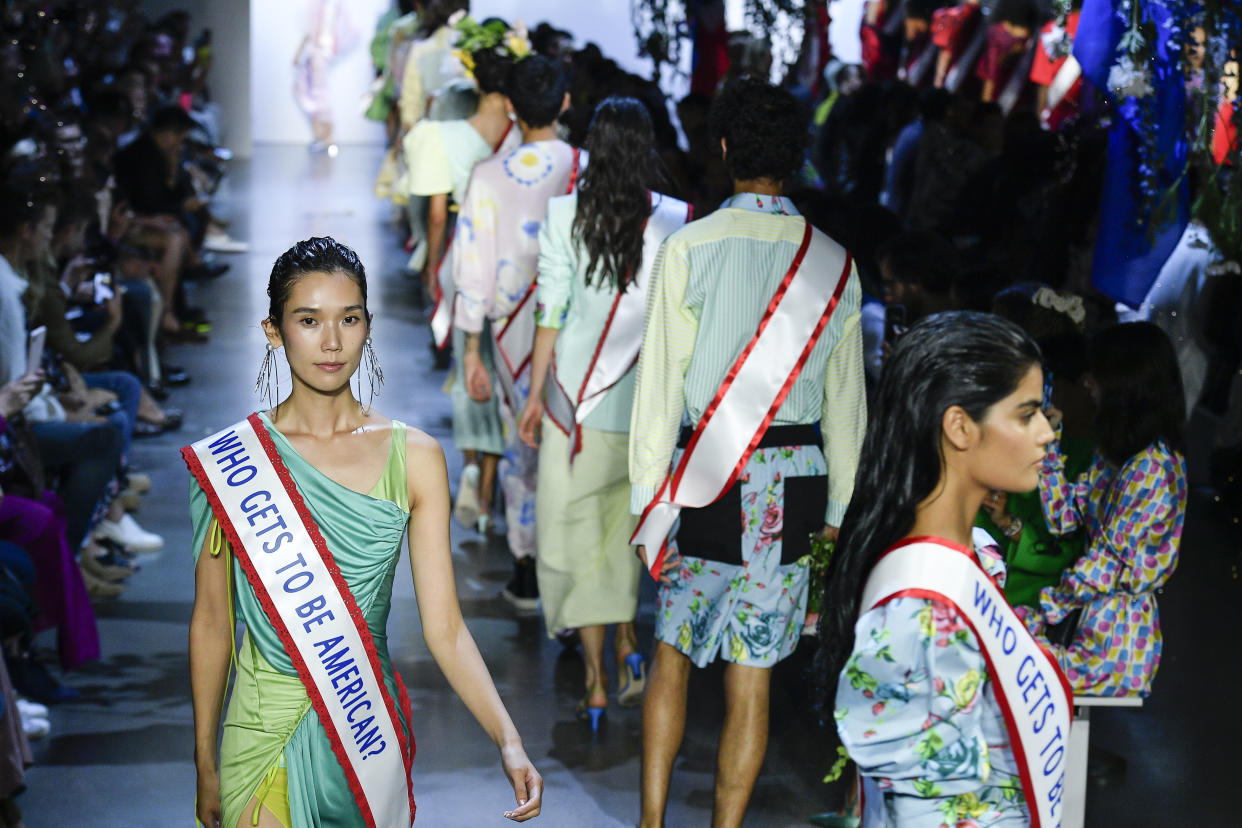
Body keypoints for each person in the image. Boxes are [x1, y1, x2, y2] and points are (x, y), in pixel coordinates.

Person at [188, 237, 542, 828]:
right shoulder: (231, 463)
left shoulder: (417, 457)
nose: (331, 342)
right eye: (308, 320)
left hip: (364, 729)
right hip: (258, 734)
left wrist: (508, 738)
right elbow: (211, 620)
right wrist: (203, 760)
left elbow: (446, 627)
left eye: (348, 319)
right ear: (274, 331)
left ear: (368, 326)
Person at [629, 76, 865, 827]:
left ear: (723, 148)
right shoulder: (834, 262)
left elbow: (659, 387)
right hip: (794, 481)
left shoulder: (688, 247)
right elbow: (846, 409)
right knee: (753, 674)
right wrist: (837, 512)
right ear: (795, 160)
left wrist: (647, 499)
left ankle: (652, 820)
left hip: (707, 473)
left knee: (672, 653)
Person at [819, 312, 1066, 826]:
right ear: (959, 427)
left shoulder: (966, 556)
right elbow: (926, 806)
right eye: (1026, 415)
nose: (1047, 433)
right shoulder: (923, 601)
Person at [517, 97, 692, 729]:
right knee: (623, 540)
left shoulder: (564, 215)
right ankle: (625, 645)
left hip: (576, 411)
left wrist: (535, 396)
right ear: (647, 147)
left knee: (573, 544)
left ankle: (595, 680)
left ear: (593, 146)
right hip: (648, 414)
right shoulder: (676, 220)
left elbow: (550, 315)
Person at [453, 54, 577, 609]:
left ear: (509, 106)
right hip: (576, 328)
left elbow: (471, 270)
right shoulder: (586, 168)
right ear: (566, 103)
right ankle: (569, 575)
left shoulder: (486, 175)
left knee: (518, 443)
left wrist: (471, 350)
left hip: (508, 336)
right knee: (569, 441)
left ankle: (526, 566)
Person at [402, 15, 524, 534]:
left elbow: (434, 213)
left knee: (466, 366)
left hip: (462, 253)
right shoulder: (530, 137)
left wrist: (433, 267)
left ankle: (473, 469)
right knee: (506, 371)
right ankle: (494, 482)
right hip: (519, 264)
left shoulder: (440, 136)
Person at [1023, 321, 1188, 696]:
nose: (1086, 383)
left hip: (1115, 647)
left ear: (1125, 384)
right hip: (1087, 623)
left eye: (1096, 375)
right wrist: (1050, 448)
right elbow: (1063, 521)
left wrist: (1042, 610)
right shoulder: (1116, 456)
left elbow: (1106, 565)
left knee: (1003, 670)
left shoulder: (1154, 468)